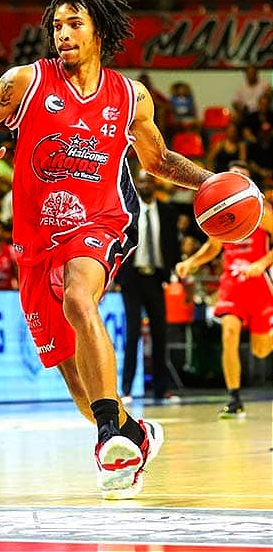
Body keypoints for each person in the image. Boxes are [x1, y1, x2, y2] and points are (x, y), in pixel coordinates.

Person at [0, 0, 219, 500]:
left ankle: (105, 438)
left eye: (74, 24)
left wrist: (214, 181)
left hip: (102, 219)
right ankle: (130, 431)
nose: (64, 35)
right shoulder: (25, 82)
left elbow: (158, 160)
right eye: (57, 27)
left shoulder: (130, 97)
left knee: (80, 295)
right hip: (34, 239)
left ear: (98, 29)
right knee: (74, 376)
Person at [175, 161, 273, 419]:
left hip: (259, 280)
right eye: (233, 175)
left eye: (242, 176)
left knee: (260, 349)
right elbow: (213, 247)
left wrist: (262, 263)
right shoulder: (220, 210)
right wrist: (190, 262)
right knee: (228, 333)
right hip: (231, 280)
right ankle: (234, 398)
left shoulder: (261, 211)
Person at [114, 171, 180, 404]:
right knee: (132, 334)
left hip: (156, 278)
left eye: (147, 181)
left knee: (160, 333)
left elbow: (172, 244)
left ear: (154, 184)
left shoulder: (167, 211)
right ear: (135, 185)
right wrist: (116, 276)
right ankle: (126, 389)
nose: (144, 185)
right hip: (132, 279)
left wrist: (172, 271)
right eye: (140, 181)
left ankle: (162, 389)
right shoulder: (127, 210)